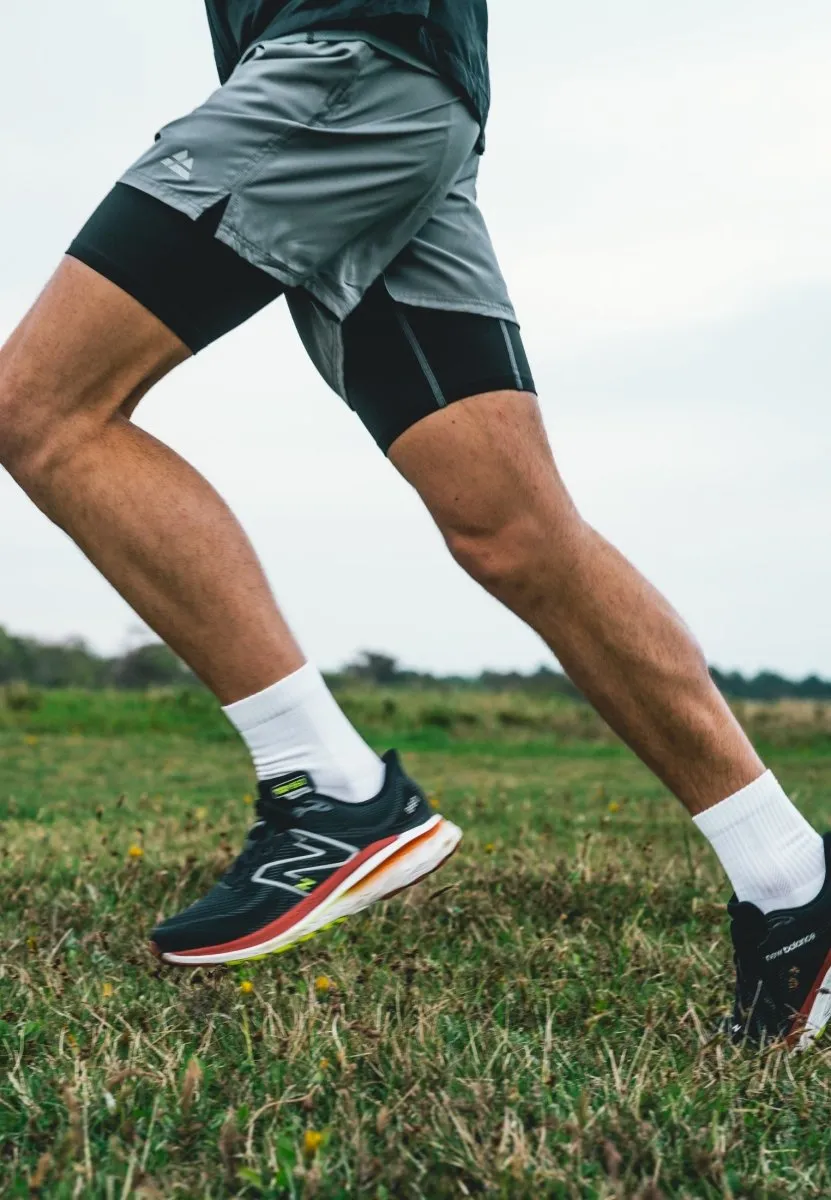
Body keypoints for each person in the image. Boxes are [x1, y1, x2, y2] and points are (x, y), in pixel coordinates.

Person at [1, 0, 829, 1047]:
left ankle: (330, 789)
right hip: (402, 89)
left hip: (342, 68)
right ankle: (792, 877)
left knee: (44, 408)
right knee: (513, 530)